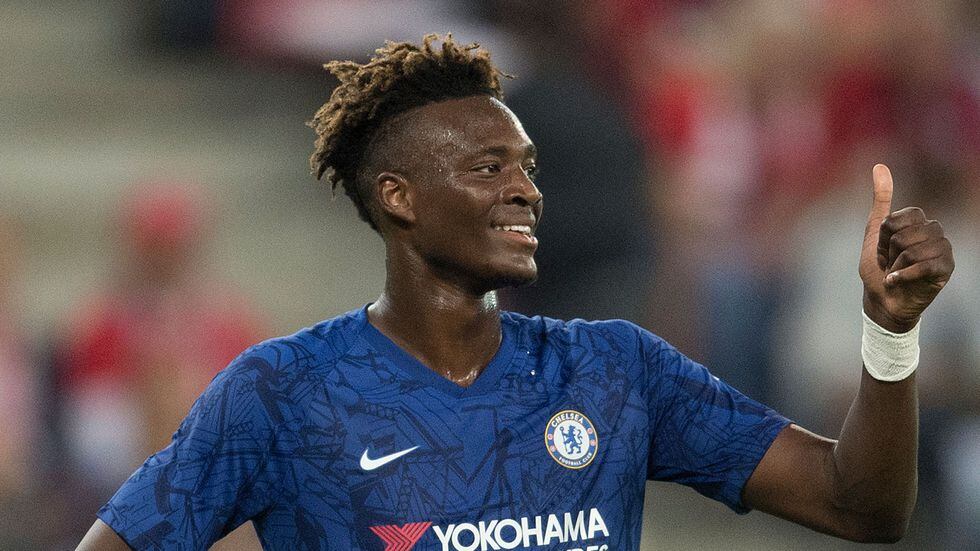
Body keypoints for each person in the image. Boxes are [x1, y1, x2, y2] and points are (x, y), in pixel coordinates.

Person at [77, 35, 955, 550]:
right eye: (489, 167)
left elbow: (862, 505)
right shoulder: (281, 392)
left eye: (528, 167)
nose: (527, 190)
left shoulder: (615, 370)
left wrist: (890, 332)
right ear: (399, 197)